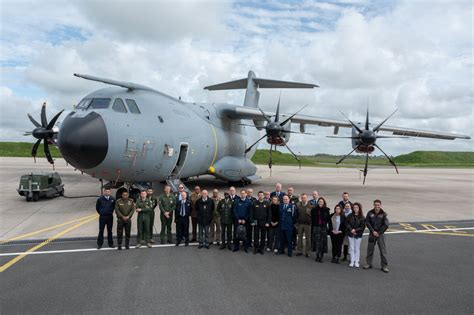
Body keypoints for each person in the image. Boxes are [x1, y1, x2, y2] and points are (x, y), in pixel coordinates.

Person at [364, 199, 390, 273]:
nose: (377, 206)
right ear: (373, 205)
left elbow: (386, 225)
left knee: (383, 250)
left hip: (380, 235)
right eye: (375, 205)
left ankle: (384, 266)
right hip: (372, 234)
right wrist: (373, 231)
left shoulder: (384, 214)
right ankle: (368, 264)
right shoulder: (370, 213)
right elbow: (367, 222)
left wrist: (379, 232)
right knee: (370, 249)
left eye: (378, 205)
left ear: (380, 205)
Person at [346, 202, 365, 268]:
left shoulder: (362, 217)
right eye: (354, 207)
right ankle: (352, 261)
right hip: (350, 234)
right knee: (351, 248)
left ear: (359, 208)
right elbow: (347, 224)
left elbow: (362, 227)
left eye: (357, 207)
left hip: (358, 235)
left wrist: (355, 230)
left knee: (357, 248)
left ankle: (356, 261)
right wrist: (351, 230)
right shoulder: (350, 216)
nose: (355, 209)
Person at [311, 197, 330, 262]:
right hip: (316, 227)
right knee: (317, 242)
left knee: (322, 242)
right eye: (319, 201)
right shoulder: (314, 209)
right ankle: (317, 255)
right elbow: (312, 219)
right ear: (317, 202)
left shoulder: (326, 209)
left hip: (323, 228)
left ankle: (321, 256)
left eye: (321, 201)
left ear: (324, 202)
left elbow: (328, 219)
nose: (320, 203)